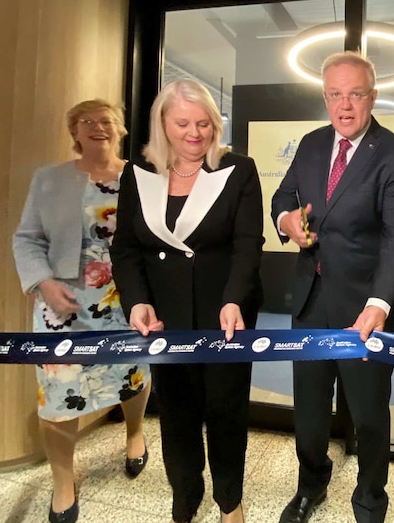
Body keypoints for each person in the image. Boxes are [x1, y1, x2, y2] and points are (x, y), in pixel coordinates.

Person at [271, 51, 394, 523]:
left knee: (370, 416)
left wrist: (380, 303)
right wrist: (286, 221)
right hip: (311, 303)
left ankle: (371, 499)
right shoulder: (313, 144)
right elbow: (283, 196)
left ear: (373, 97)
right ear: (325, 97)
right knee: (309, 413)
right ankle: (311, 484)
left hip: (364, 309)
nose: (345, 106)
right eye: (335, 95)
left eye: (355, 94)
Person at [111, 79, 263, 523]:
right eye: (183, 123)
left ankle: (230, 501)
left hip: (225, 315)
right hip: (165, 315)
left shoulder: (238, 169)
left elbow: (247, 245)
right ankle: (185, 495)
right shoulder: (137, 175)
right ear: (163, 124)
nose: (195, 133)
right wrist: (137, 301)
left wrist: (235, 299)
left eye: (203, 123)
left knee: (225, 411)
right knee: (176, 412)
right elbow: (124, 248)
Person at [13, 99, 152, 523]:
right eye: (85, 122)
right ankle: (62, 481)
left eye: (106, 120)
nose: (97, 127)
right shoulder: (49, 179)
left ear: (121, 129)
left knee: (132, 374)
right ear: (73, 132)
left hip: (127, 300)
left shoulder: (142, 178)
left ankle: (135, 432)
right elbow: (27, 239)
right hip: (63, 305)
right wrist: (43, 282)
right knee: (57, 395)